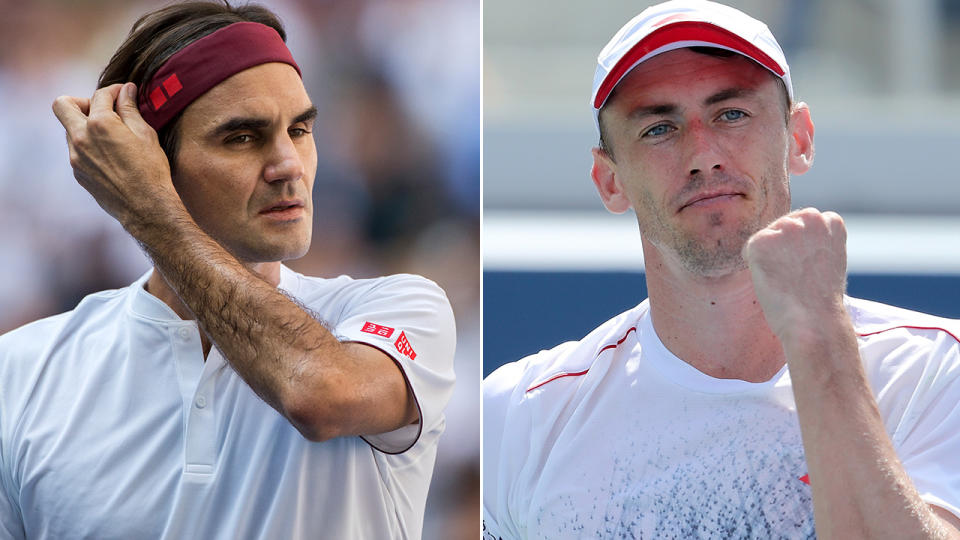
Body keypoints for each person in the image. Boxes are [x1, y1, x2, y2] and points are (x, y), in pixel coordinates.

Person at [482, 1, 960, 538]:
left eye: (731, 114)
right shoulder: (520, 416)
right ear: (608, 180)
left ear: (798, 138)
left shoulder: (939, 371)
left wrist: (820, 339)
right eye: (659, 128)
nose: (703, 155)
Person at [0, 2, 455, 538]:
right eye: (242, 137)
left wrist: (150, 216)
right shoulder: (21, 372)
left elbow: (320, 394)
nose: (289, 165)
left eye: (301, 129)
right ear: (148, 165)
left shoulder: (401, 307)